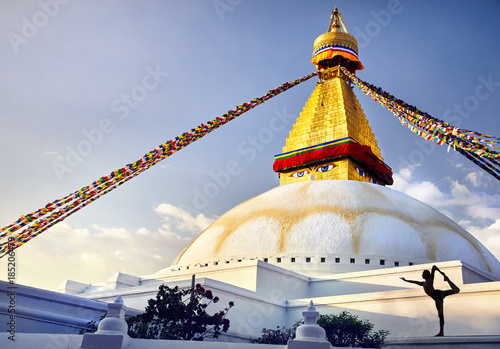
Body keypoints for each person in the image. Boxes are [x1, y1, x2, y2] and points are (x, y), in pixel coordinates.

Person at [400, 265, 460, 336]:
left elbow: (434, 267)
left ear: (426, 274)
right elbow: (415, 282)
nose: (422, 275)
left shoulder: (430, 279)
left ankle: (447, 280)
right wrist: (406, 280)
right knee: (440, 315)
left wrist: (441, 273)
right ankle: (441, 332)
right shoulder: (423, 284)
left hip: (438, 294)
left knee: (456, 290)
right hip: (436, 298)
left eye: (423, 273)